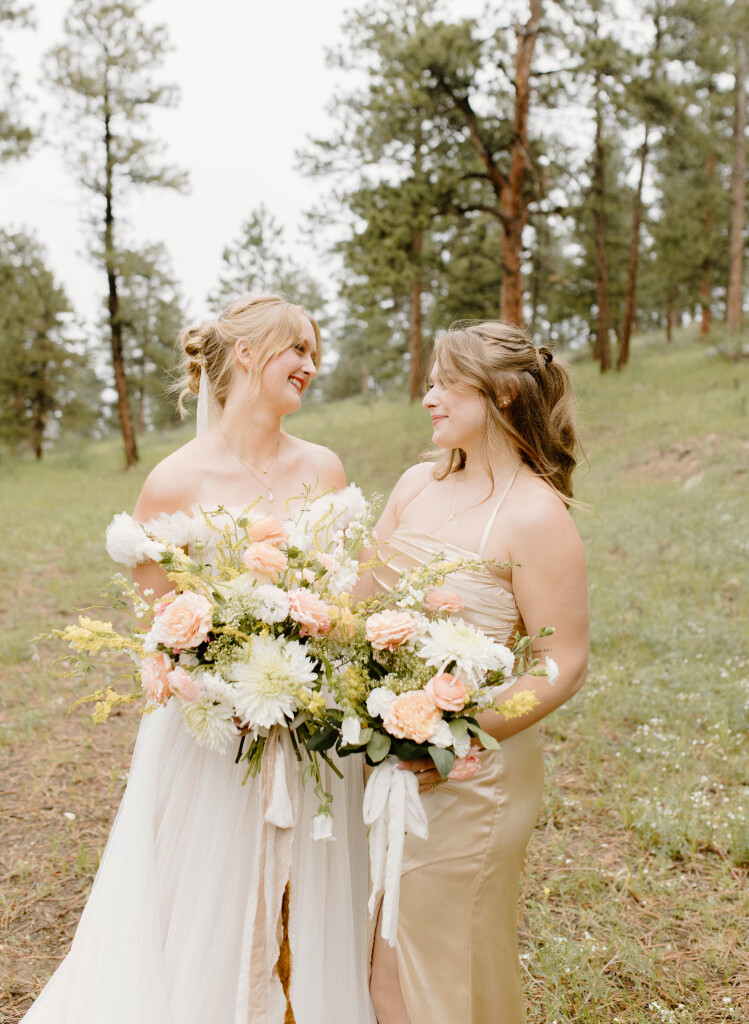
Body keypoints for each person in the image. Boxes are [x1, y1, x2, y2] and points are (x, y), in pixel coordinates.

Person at [23, 294, 377, 1024]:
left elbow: (348, 600)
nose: (310, 365)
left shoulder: (325, 467)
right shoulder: (174, 480)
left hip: (310, 729)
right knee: (204, 904)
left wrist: (315, 661)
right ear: (246, 353)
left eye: (314, 353)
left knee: (309, 901)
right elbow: (160, 626)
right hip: (214, 738)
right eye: (297, 349)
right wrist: (224, 680)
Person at [367, 321, 590, 1024]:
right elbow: (358, 604)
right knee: (378, 960)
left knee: (428, 968)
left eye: (443, 383)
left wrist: (452, 735)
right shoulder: (416, 484)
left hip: (472, 772)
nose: (427, 397)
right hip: (384, 755)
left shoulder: (535, 513)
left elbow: (563, 664)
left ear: (501, 392)